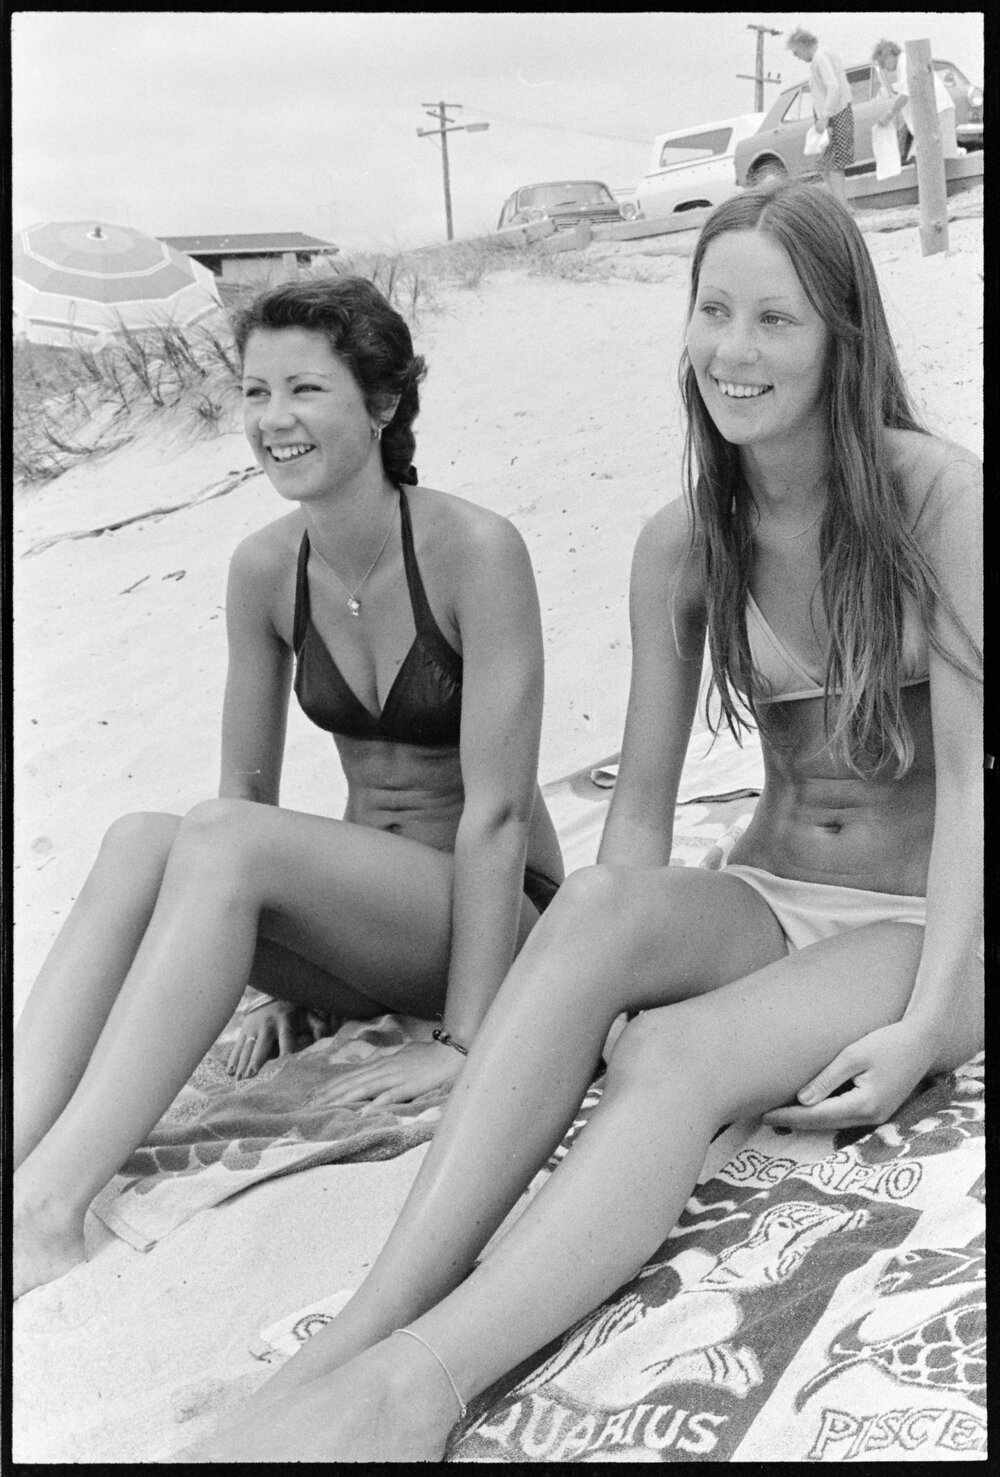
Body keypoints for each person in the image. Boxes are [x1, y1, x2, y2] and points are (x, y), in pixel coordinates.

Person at [177, 179, 983, 1463]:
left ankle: (420, 1387)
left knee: (670, 1055)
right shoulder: (686, 541)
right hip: (770, 884)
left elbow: (971, 785)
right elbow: (640, 814)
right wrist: (585, 984)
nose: (732, 350)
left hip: (922, 911)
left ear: (842, 332)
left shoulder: (934, 498)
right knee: (601, 909)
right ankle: (361, 1332)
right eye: (711, 311)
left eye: (774, 318)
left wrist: (930, 1025)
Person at [13, 276, 563, 1299]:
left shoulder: (474, 551)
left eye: (304, 389)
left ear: (383, 402)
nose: (273, 419)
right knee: (141, 838)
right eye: (254, 391)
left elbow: (496, 814)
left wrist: (465, 1038)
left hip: (491, 920)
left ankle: (48, 1213)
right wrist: (273, 977)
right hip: (366, 940)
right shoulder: (264, 568)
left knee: (220, 837)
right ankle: (17, 1144)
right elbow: (244, 792)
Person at [787, 26, 855, 204]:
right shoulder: (825, 56)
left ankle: (841, 204)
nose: (797, 57)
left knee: (834, 163)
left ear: (802, 46)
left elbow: (833, 87)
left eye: (796, 52)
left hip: (834, 113)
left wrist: (825, 117)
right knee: (826, 163)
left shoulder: (820, 59)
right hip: (832, 112)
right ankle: (839, 202)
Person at [872, 38, 960, 167]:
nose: (885, 68)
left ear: (888, 55)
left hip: (937, 111)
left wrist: (889, 114)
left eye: (883, 63)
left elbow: (905, 94)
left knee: (940, 158)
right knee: (924, 157)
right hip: (930, 115)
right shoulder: (905, 63)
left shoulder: (905, 63)